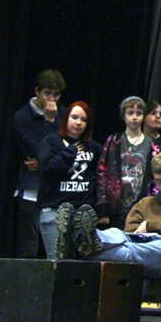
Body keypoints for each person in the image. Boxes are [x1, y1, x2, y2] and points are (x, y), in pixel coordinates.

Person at [55, 150, 161, 280]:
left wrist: (150, 225)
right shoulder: (145, 203)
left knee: (130, 252)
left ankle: (76, 247)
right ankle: (88, 239)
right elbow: (131, 231)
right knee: (118, 236)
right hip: (139, 243)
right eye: (158, 181)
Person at [12, 69, 67, 258]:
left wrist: (44, 163)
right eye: (47, 93)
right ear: (37, 91)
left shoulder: (64, 113)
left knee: (55, 242)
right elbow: (36, 148)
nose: (52, 99)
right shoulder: (23, 116)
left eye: (56, 94)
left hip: (56, 187)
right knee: (29, 242)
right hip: (31, 188)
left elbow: (68, 148)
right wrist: (49, 121)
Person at [37, 101, 102, 259]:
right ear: (66, 118)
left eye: (84, 120)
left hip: (82, 214)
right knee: (57, 262)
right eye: (74, 117)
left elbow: (99, 178)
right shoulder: (51, 142)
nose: (78, 123)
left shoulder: (94, 148)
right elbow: (47, 169)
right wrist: (69, 152)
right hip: (54, 210)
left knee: (82, 264)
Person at [95, 96, 161, 230]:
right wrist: (102, 208)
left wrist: (155, 208)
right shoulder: (113, 141)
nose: (134, 117)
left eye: (139, 114)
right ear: (123, 116)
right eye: (130, 113)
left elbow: (157, 178)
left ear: (144, 116)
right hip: (115, 208)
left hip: (143, 209)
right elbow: (102, 173)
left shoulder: (153, 145)